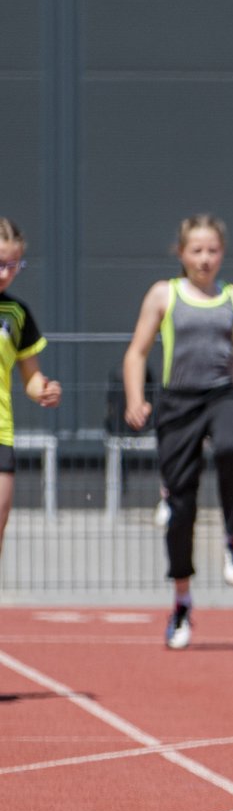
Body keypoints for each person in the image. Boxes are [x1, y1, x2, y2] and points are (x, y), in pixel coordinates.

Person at [122, 215, 233, 648]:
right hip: (177, 401)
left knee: (229, 449)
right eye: (196, 250)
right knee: (180, 503)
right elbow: (137, 352)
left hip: (221, 394)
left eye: (212, 250)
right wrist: (136, 399)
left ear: (222, 253)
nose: (205, 259)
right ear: (182, 253)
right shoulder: (163, 294)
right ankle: (182, 600)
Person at [0, 219, 62, 560]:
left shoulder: (17, 313)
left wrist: (44, 390)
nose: (5, 273)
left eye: (12, 265)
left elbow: (31, 378)